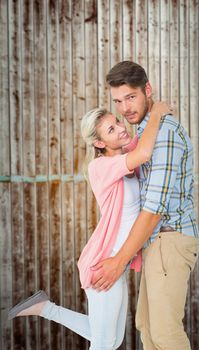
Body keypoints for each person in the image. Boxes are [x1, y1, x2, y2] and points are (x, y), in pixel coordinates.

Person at [8, 101, 172, 350]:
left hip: (118, 263)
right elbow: (144, 153)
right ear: (99, 143)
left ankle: (44, 308)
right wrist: (157, 112)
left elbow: (142, 145)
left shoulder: (124, 160)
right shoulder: (100, 167)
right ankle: (45, 308)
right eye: (110, 130)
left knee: (111, 340)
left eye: (116, 122)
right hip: (104, 265)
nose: (119, 128)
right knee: (104, 343)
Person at [91, 61, 199, 350]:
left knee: (164, 333)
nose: (125, 109)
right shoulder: (147, 133)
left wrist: (118, 262)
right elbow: (137, 154)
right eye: (118, 101)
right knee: (148, 329)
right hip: (155, 241)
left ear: (147, 90)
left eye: (131, 97)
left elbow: (153, 209)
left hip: (168, 236)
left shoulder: (163, 133)